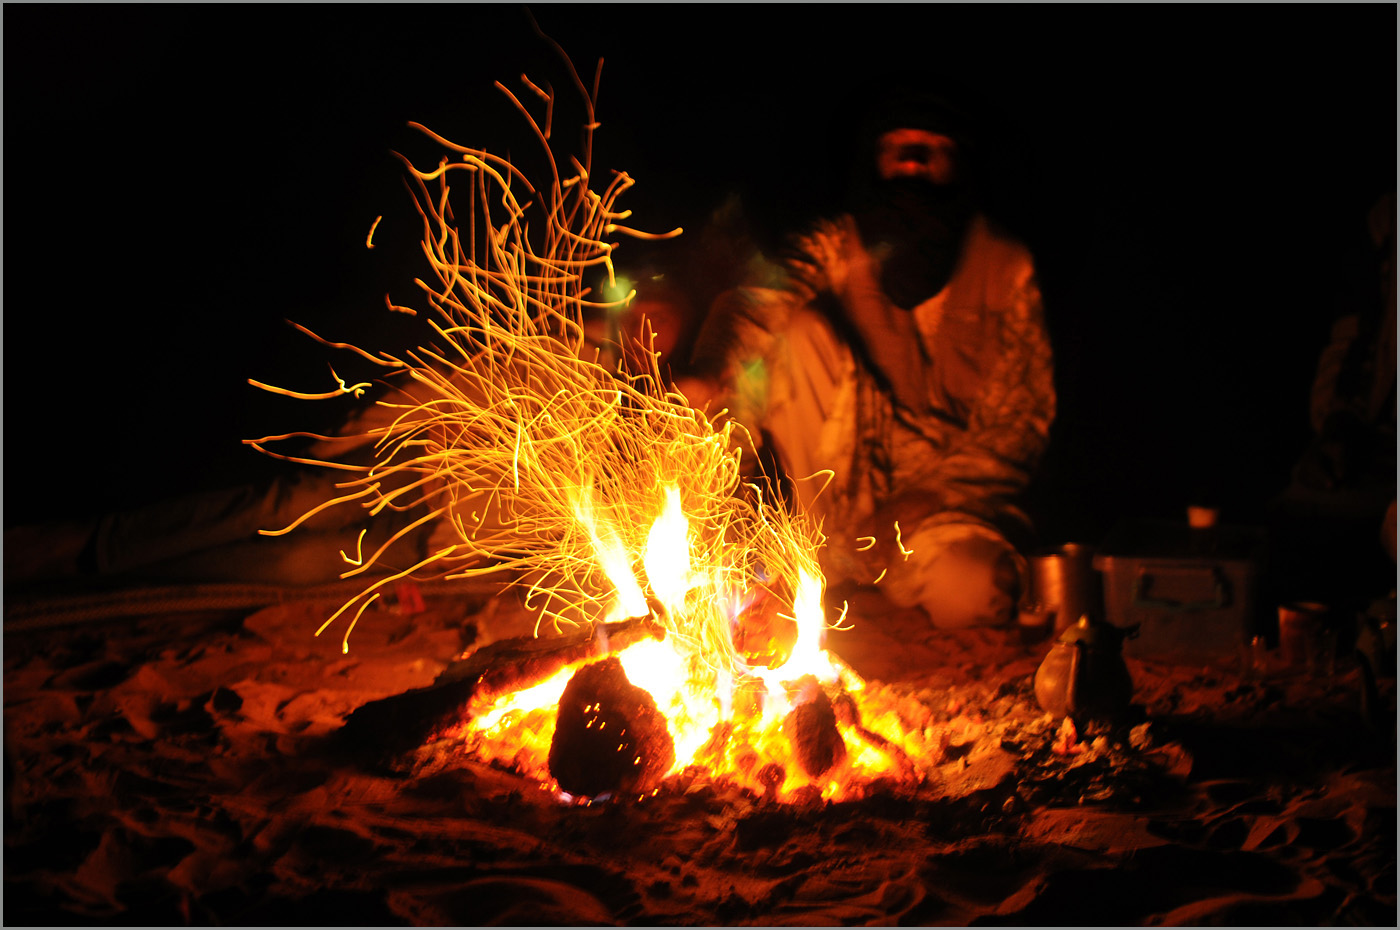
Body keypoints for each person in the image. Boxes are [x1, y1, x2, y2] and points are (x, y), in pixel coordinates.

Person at [676, 88, 1055, 629]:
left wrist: (923, 501)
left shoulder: (1005, 267)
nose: (914, 162)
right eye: (899, 147)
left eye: (932, 149)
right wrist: (713, 370)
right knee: (797, 332)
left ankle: (886, 592)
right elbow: (762, 298)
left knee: (981, 594)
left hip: (942, 513)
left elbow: (1018, 429)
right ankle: (815, 563)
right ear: (876, 161)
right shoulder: (840, 244)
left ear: (958, 164)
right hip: (844, 491)